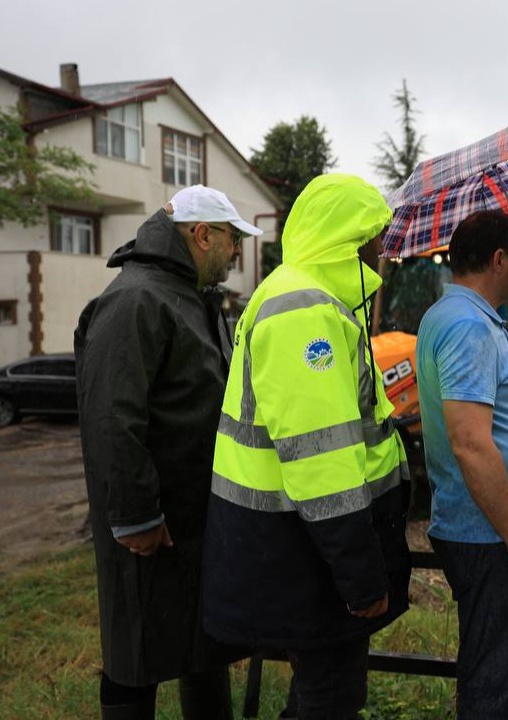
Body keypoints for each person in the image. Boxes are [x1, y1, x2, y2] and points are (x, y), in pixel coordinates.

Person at [202, 173, 411, 720]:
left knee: (326, 688)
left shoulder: (309, 297)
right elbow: (322, 463)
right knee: (332, 694)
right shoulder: (305, 309)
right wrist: (363, 579)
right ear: (349, 237)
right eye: (376, 234)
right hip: (301, 550)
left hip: (298, 545)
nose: (383, 248)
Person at [75, 185, 260, 719]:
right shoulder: (136, 299)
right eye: (231, 240)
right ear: (202, 235)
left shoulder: (191, 297)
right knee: (137, 652)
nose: (235, 252)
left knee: (200, 649)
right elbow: (112, 417)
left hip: (194, 523)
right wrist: (135, 516)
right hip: (149, 529)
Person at [415, 209, 508, 720]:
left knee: (494, 672)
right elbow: (471, 444)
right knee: (497, 688)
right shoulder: (465, 327)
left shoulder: (464, 317)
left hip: (488, 531)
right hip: (493, 537)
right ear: (499, 259)